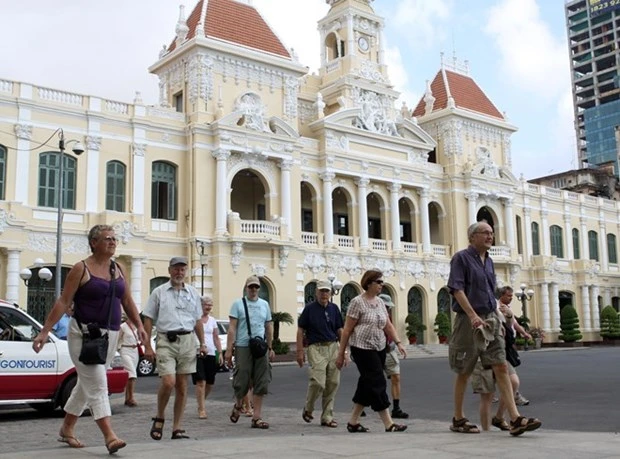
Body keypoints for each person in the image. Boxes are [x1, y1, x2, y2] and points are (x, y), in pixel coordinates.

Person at [32, 224, 147, 454]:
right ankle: (110, 436)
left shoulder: (119, 268)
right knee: (97, 384)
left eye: (114, 238)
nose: (113, 242)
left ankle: (66, 429)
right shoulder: (80, 269)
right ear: (94, 243)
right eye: (107, 238)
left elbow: (127, 300)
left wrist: (139, 325)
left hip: (110, 335)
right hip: (83, 335)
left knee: (86, 386)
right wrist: (45, 331)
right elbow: (64, 302)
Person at [447, 221, 541, 436]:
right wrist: (472, 315)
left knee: (500, 365)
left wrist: (498, 317)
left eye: (492, 233)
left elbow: (490, 293)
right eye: (485, 233)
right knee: (464, 369)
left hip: (490, 318)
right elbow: (456, 289)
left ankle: (515, 418)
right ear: (472, 237)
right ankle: (458, 418)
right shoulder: (461, 258)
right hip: (467, 319)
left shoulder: (489, 261)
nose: (490, 236)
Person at [335, 269, 408, 433]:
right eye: (379, 282)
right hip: (361, 348)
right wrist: (342, 353)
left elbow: (388, 325)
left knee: (367, 383)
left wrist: (398, 342)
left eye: (382, 282)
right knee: (378, 381)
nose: (382, 285)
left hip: (379, 347)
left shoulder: (380, 302)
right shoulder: (357, 302)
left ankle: (353, 422)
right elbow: (346, 330)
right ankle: (389, 423)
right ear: (369, 283)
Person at [143, 256, 205, 441]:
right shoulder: (159, 292)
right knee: (168, 382)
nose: (179, 272)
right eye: (176, 269)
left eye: (182, 269)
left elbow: (197, 320)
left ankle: (177, 427)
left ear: (185, 271)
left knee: (182, 386)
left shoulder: (193, 293)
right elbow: (148, 318)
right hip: (166, 340)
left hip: (187, 340)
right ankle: (160, 416)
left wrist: (203, 343)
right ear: (169, 270)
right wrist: (147, 345)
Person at [225, 275, 274, 429]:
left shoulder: (264, 305)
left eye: (256, 287)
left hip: (260, 346)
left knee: (262, 380)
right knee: (242, 378)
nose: (253, 290)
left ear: (259, 289)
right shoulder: (238, 305)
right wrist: (228, 349)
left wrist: (270, 346)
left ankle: (257, 417)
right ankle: (239, 404)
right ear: (246, 288)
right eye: (251, 287)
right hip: (243, 345)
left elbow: (269, 326)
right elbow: (232, 328)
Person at [296, 279, 345, 428]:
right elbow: (300, 330)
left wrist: (344, 351)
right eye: (322, 291)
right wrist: (299, 351)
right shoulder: (309, 309)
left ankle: (327, 417)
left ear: (330, 293)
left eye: (327, 291)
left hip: (332, 347)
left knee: (333, 382)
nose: (324, 294)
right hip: (315, 347)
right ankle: (309, 408)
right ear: (316, 292)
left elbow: (340, 330)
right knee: (318, 381)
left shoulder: (334, 308)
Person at [496, 286, 531, 406]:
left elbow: (514, 324)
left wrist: (524, 333)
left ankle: (511, 396)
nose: (511, 298)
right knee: (511, 378)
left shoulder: (507, 308)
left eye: (512, 296)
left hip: (508, 345)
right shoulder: (496, 308)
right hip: (499, 345)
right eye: (509, 296)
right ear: (502, 296)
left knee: (503, 373)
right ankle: (511, 398)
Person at [378, 293, 409, 419]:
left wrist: (398, 344)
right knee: (371, 380)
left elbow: (391, 331)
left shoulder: (388, 316)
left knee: (396, 377)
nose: (388, 309)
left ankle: (396, 408)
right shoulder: (373, 316)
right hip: (376, 351)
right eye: (386, 307)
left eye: (389, 307)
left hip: (389, 350)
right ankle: (360, 405)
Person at [192, 295, 223, 419]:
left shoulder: (212, 320)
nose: (208, 307)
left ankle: (201, 401)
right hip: (197, 352)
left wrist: (220, 353)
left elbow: (216, 337)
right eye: (206, 304)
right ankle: (202, 409)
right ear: (201, 306)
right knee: (201, 381)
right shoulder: (195, 319)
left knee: (210, 382)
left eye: (210, 305)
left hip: (210, 353)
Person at [118, 314, 140, 407]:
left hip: (134, 351)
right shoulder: (122, 327)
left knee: (130, 374)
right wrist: (118, 351)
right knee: (132, 374)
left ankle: (127, 398)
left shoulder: (137, 326)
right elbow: (117, 340)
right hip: (125, 350)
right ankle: (131, 398)